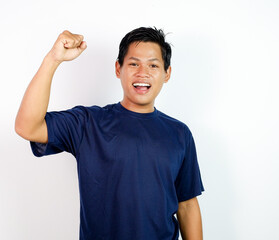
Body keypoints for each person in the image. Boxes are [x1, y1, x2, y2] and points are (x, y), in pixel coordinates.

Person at [15, 27, 204, 240]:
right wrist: (53, 59)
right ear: (118, 68)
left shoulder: (179, 134)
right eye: (134, 63)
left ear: (166, 73)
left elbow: (187, 204)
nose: (143, 72)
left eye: (153, 65)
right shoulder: (87, 123)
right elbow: (27, 126)